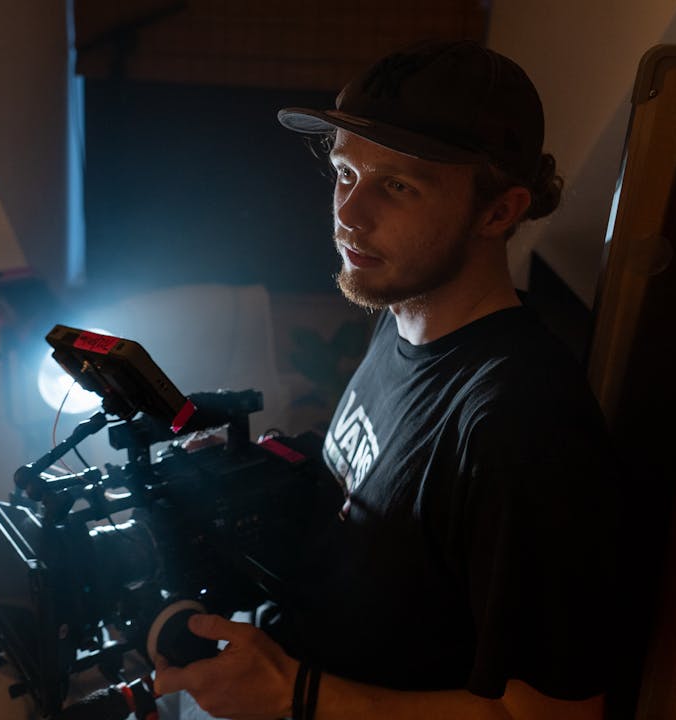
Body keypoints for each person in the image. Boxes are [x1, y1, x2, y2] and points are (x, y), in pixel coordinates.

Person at [153, 40, 625, 720]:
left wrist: (293, 693)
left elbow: (556, 717)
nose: (349, 213)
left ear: (498, 212)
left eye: (397, 186)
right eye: (345, 173)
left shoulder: (522, 424)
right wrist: (258, 466)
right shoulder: (402, 316)